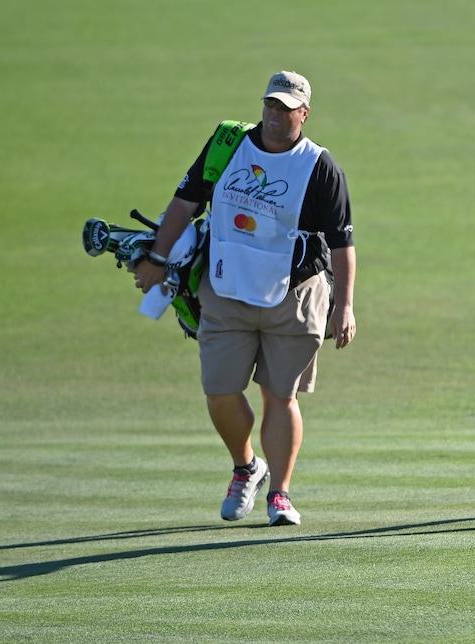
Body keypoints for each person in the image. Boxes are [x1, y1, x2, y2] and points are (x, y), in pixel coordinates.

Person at [133, 70, 356, 527]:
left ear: (304, 113)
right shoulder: (227, 144)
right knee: (219, 390)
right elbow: (185, 202)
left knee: (280, 396)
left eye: (286, 108)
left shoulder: (320, 167)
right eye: (270, 105)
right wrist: (156, 258)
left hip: (295, 295)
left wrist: (345, 305)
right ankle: (246, 466)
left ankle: (280, 495)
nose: (275, 115)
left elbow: (342, 243)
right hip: (225, 286)